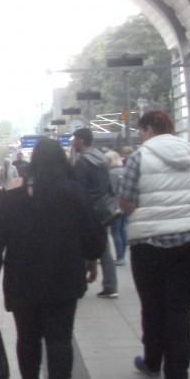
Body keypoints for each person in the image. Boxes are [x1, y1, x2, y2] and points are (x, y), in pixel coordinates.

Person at [0, 138, 104, 379]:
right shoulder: (74, 193)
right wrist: (89, 258)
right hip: (64, 279)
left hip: (22, 279)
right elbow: (94, 239)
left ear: (34, 163)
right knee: (60, 339)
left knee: (27, 338)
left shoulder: (13, 198)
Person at [117, 110, 190, 379]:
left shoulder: (140, 157)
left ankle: (152, 361)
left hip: (149, 243)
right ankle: (177, 376)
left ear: (148, 129)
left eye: (141, 131)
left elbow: (126, 202)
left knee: (153, 305)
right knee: (179, 307)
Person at [71, 127, 119, 298]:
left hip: (90, 209)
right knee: (103, 246)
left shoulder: (83, 163)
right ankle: (111, 285)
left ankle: (79, 283)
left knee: (83, 245)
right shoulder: (102, 159)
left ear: (81, 140)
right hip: (104, 208)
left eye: (74, 139)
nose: (72, 142)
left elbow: (80, 189)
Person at [105, 149, 128, 265]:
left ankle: (119, 256)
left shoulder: (111, 173)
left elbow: (113, 190)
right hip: (125, 203)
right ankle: (123, 254)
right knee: (122, 230)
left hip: (115, 205)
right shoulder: (124, 170)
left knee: (115, 231)